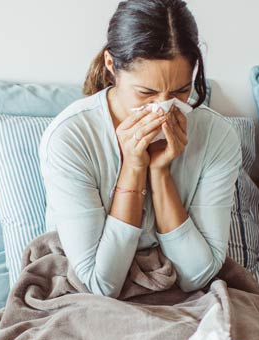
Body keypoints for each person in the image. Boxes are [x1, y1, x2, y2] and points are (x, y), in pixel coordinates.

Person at [39, 0, 240, 298]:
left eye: (180, 91)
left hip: (184, 297)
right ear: (111, 65)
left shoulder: (216, 135)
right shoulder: (71, 137)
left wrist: (159, 173)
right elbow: (100, 284)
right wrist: (134, 167)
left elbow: (198, 275)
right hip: (88, 299)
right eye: (145, 92)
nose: (163, 107)